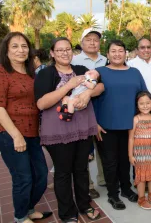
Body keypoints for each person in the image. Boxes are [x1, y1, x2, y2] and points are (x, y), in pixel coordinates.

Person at [34, 37, 100, 223]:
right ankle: (67, 212)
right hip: (58, 131)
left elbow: (100, 86)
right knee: (63, 172)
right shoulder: (46, 74)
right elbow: (41, 103)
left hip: (83, 129)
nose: (65, 53)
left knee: (81, 170)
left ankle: (85, 204)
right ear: (53, 53)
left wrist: (87, 92)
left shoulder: (80, 70)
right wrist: (70, 86)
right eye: (60, 50)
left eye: (68, 49)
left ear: (73, 51)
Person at [0, 32, 51, 223]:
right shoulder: (0, 72)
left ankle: (29, 208)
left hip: (33, 133)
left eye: (24, 46)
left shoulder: (32, 73)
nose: (20, 50)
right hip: (11, 134)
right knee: (23, 178)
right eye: (15, 46)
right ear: (6, 51)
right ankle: (20, 216)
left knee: (41, 175)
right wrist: (16, 135)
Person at [93, 40, 146, 210]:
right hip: (106, 127)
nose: (117, 54)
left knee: (126, 161)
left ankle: (125, 188)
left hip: (130, 126)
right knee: (110, 162)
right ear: (107, 55)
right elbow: (87, 98)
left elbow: (143, 96)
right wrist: (93, 123)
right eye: (113, 51)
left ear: (126, 53)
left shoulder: (135, 72)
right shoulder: (98, 73)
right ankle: (113, 194)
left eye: (121, 51)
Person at [71, 28, 107, 199]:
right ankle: (88, 185)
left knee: (104, 147)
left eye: (96, 39)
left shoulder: (106, 60)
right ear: (82, 41)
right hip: (81, 112)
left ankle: (104, 178)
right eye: (89, 39)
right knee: (84, 151)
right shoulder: (73, 60)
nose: (93, 42)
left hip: (102, 109)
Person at [127, 38, 151, 187]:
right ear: (137, 49)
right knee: (140, 148)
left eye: (149, 47)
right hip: (139, 113)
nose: (146, 50)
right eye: (142, 47)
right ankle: (140, 179)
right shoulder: (131, 65)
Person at [128, 91, 151, 210]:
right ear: (137, 105)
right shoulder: (136, 119)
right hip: (140, 153)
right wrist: (130, 155)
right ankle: (141, 198)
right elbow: (131, 138)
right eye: (141, 103)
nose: (145, 106)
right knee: (141, 176)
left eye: (148, 103)